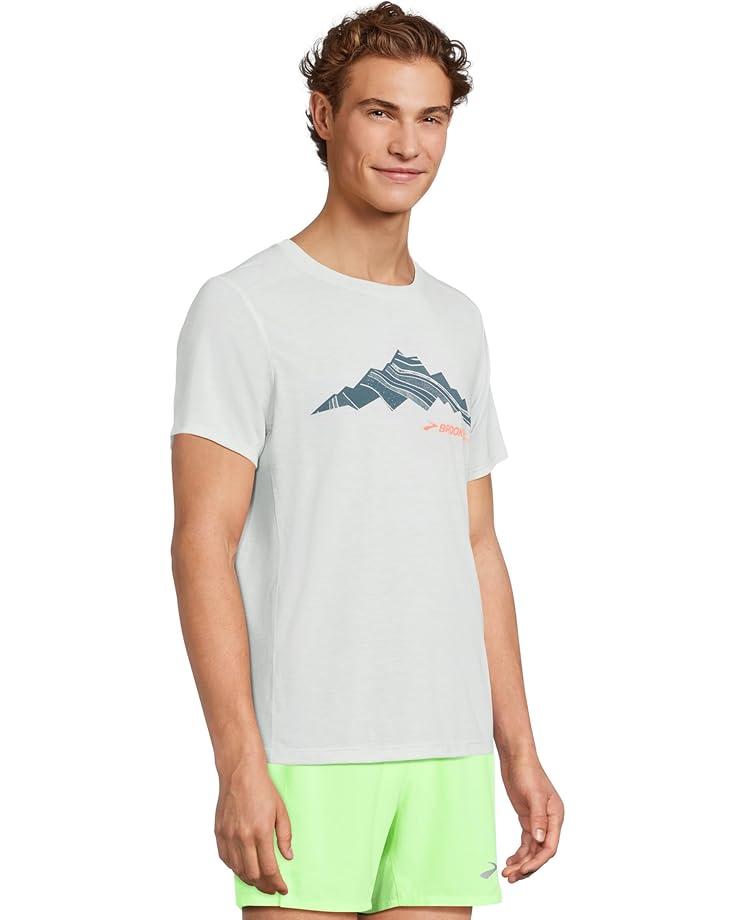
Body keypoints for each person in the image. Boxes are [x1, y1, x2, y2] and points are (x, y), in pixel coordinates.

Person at [170, 3, 564, 915]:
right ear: (324, 115)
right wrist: (238, 762)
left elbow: (478, 548)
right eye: (380, 112)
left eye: (431, 118)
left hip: (448, 748)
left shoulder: (457, 321)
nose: (407, 144)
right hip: (307, 748)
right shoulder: (243, 305)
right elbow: (201, 542)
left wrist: (518, 750)